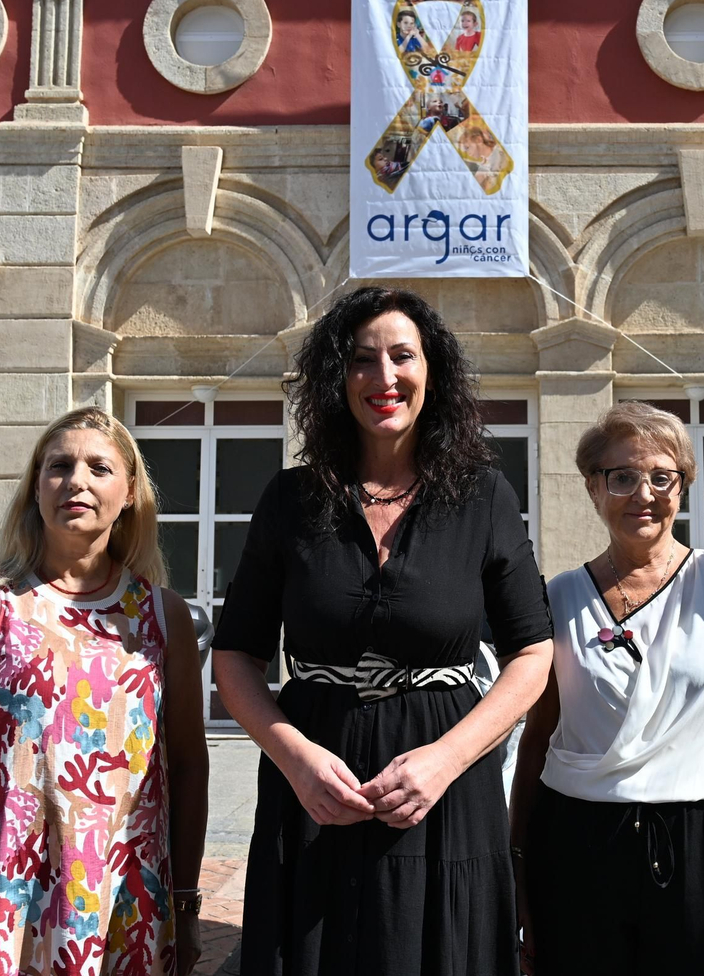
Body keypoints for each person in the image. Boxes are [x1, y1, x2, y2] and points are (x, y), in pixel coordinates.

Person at [213, 287, 553, 976]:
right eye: (363, 360)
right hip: (314, 788)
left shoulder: (484, 496)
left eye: (403, 356)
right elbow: (236, 656)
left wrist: (446, 760)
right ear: (337, 378)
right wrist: (295, 760)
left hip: (447, 794)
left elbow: (533, 652)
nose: (384, 377)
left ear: (434, 372)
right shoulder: (291, 500)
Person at [0, 407, 209, 976]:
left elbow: (190, 768)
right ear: (36, 489)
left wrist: (186, 905)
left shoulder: (162, 617)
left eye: (99, 467)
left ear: (129, 494)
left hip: (121, 907)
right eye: (59, 466)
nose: (76, 480)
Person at [510, 402, 704, 976]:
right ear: (593, 487)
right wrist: (516, 865)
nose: (644, 493)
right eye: (623, 476)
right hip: (578, 845)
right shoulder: (558, 598)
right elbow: (536, 739)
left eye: (663, 477)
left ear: (682, 487)